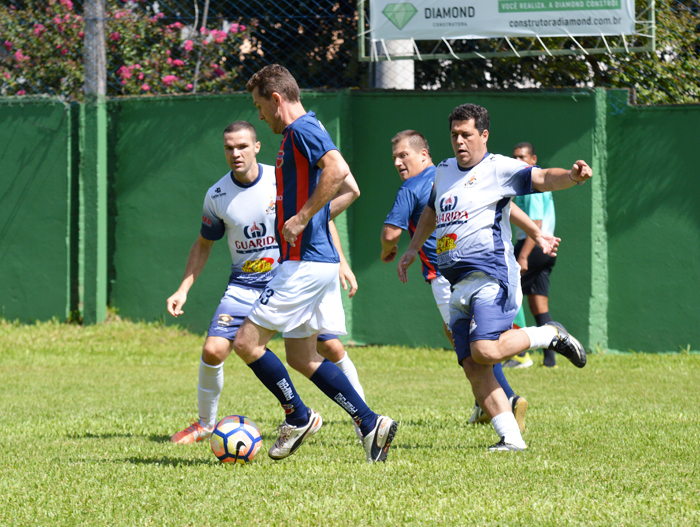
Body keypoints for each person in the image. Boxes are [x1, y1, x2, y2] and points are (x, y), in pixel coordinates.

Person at [398, 103, 590, 452]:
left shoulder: (498, 167)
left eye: (466, 134)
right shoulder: (442, 172)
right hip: (457, 284)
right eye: (454, 134)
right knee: (473, 365)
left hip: (492, 276)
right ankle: (512, 439)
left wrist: (573, 177)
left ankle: (549, 333)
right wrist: (412, 249)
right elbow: (430, 210)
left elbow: (543, 177)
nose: (459, 141)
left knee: (485, 349)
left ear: (483, 135)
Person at [167, 121, 367, 445]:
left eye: (242, 146)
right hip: (245, 284)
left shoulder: (280, 179)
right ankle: (206, 424)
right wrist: (183, 288)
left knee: (329, 347)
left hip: (288, 278)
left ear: (257, 147)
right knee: (213, 350)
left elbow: (320, 216)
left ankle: (363, 420)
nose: (236, 153)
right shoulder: (217, 195)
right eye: (229, 147)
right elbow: (203, 244)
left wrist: (341, 263)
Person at [240, 64, 397, 463]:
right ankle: (368, 422)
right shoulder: (308, 129)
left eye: (260, 107)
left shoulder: (301, 130)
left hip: (304, 262)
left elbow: (339, 172)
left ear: (277, 100)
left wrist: (304, 216)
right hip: (318, 260)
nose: (259, 116)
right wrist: (316, 215)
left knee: (246, 343)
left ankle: (297, 416)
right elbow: (351, 189)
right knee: (302, 357)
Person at [381, 130, 529, 433]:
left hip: (446, 274)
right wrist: (537, 233)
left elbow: (390, 234)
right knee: (468, 338)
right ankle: (484, 401)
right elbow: (506, 205)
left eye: (403, 155)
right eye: (394, 158)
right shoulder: (458, 175)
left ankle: (506, 399)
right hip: (484, 267)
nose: (398, 163)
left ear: (424, 154)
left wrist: (390, 251)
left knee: (468, 343)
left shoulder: (412, 187)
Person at [505, 142, 559, 368]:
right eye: (515, 157)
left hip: (534, 248)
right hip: (543, 250)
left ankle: (519, 355)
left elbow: (535, 224)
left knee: (509, 293)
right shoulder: (524, 182)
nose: (518, 161)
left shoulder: (532, 183)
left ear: (533, 160)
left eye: (523, 157)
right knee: (539, 304)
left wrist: (523, 255)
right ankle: (550, 359)